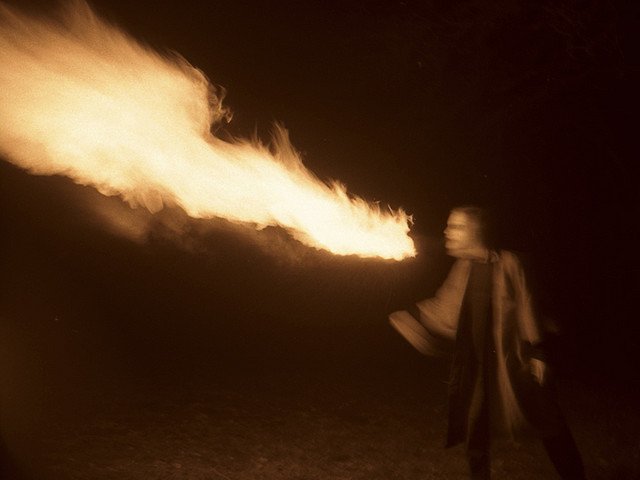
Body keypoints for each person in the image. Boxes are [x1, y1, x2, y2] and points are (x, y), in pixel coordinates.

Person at [389, 205, 586, 480]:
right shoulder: (463, 267)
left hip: (515, 360)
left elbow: (528, 305)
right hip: (478, 364)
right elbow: (446, 307)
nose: (447, 232)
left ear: (475, 232)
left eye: (456, 227)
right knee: (475, 426)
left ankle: (575, 476)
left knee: (547, 420)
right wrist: (411, 316)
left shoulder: (511, 263)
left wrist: (538, 352)